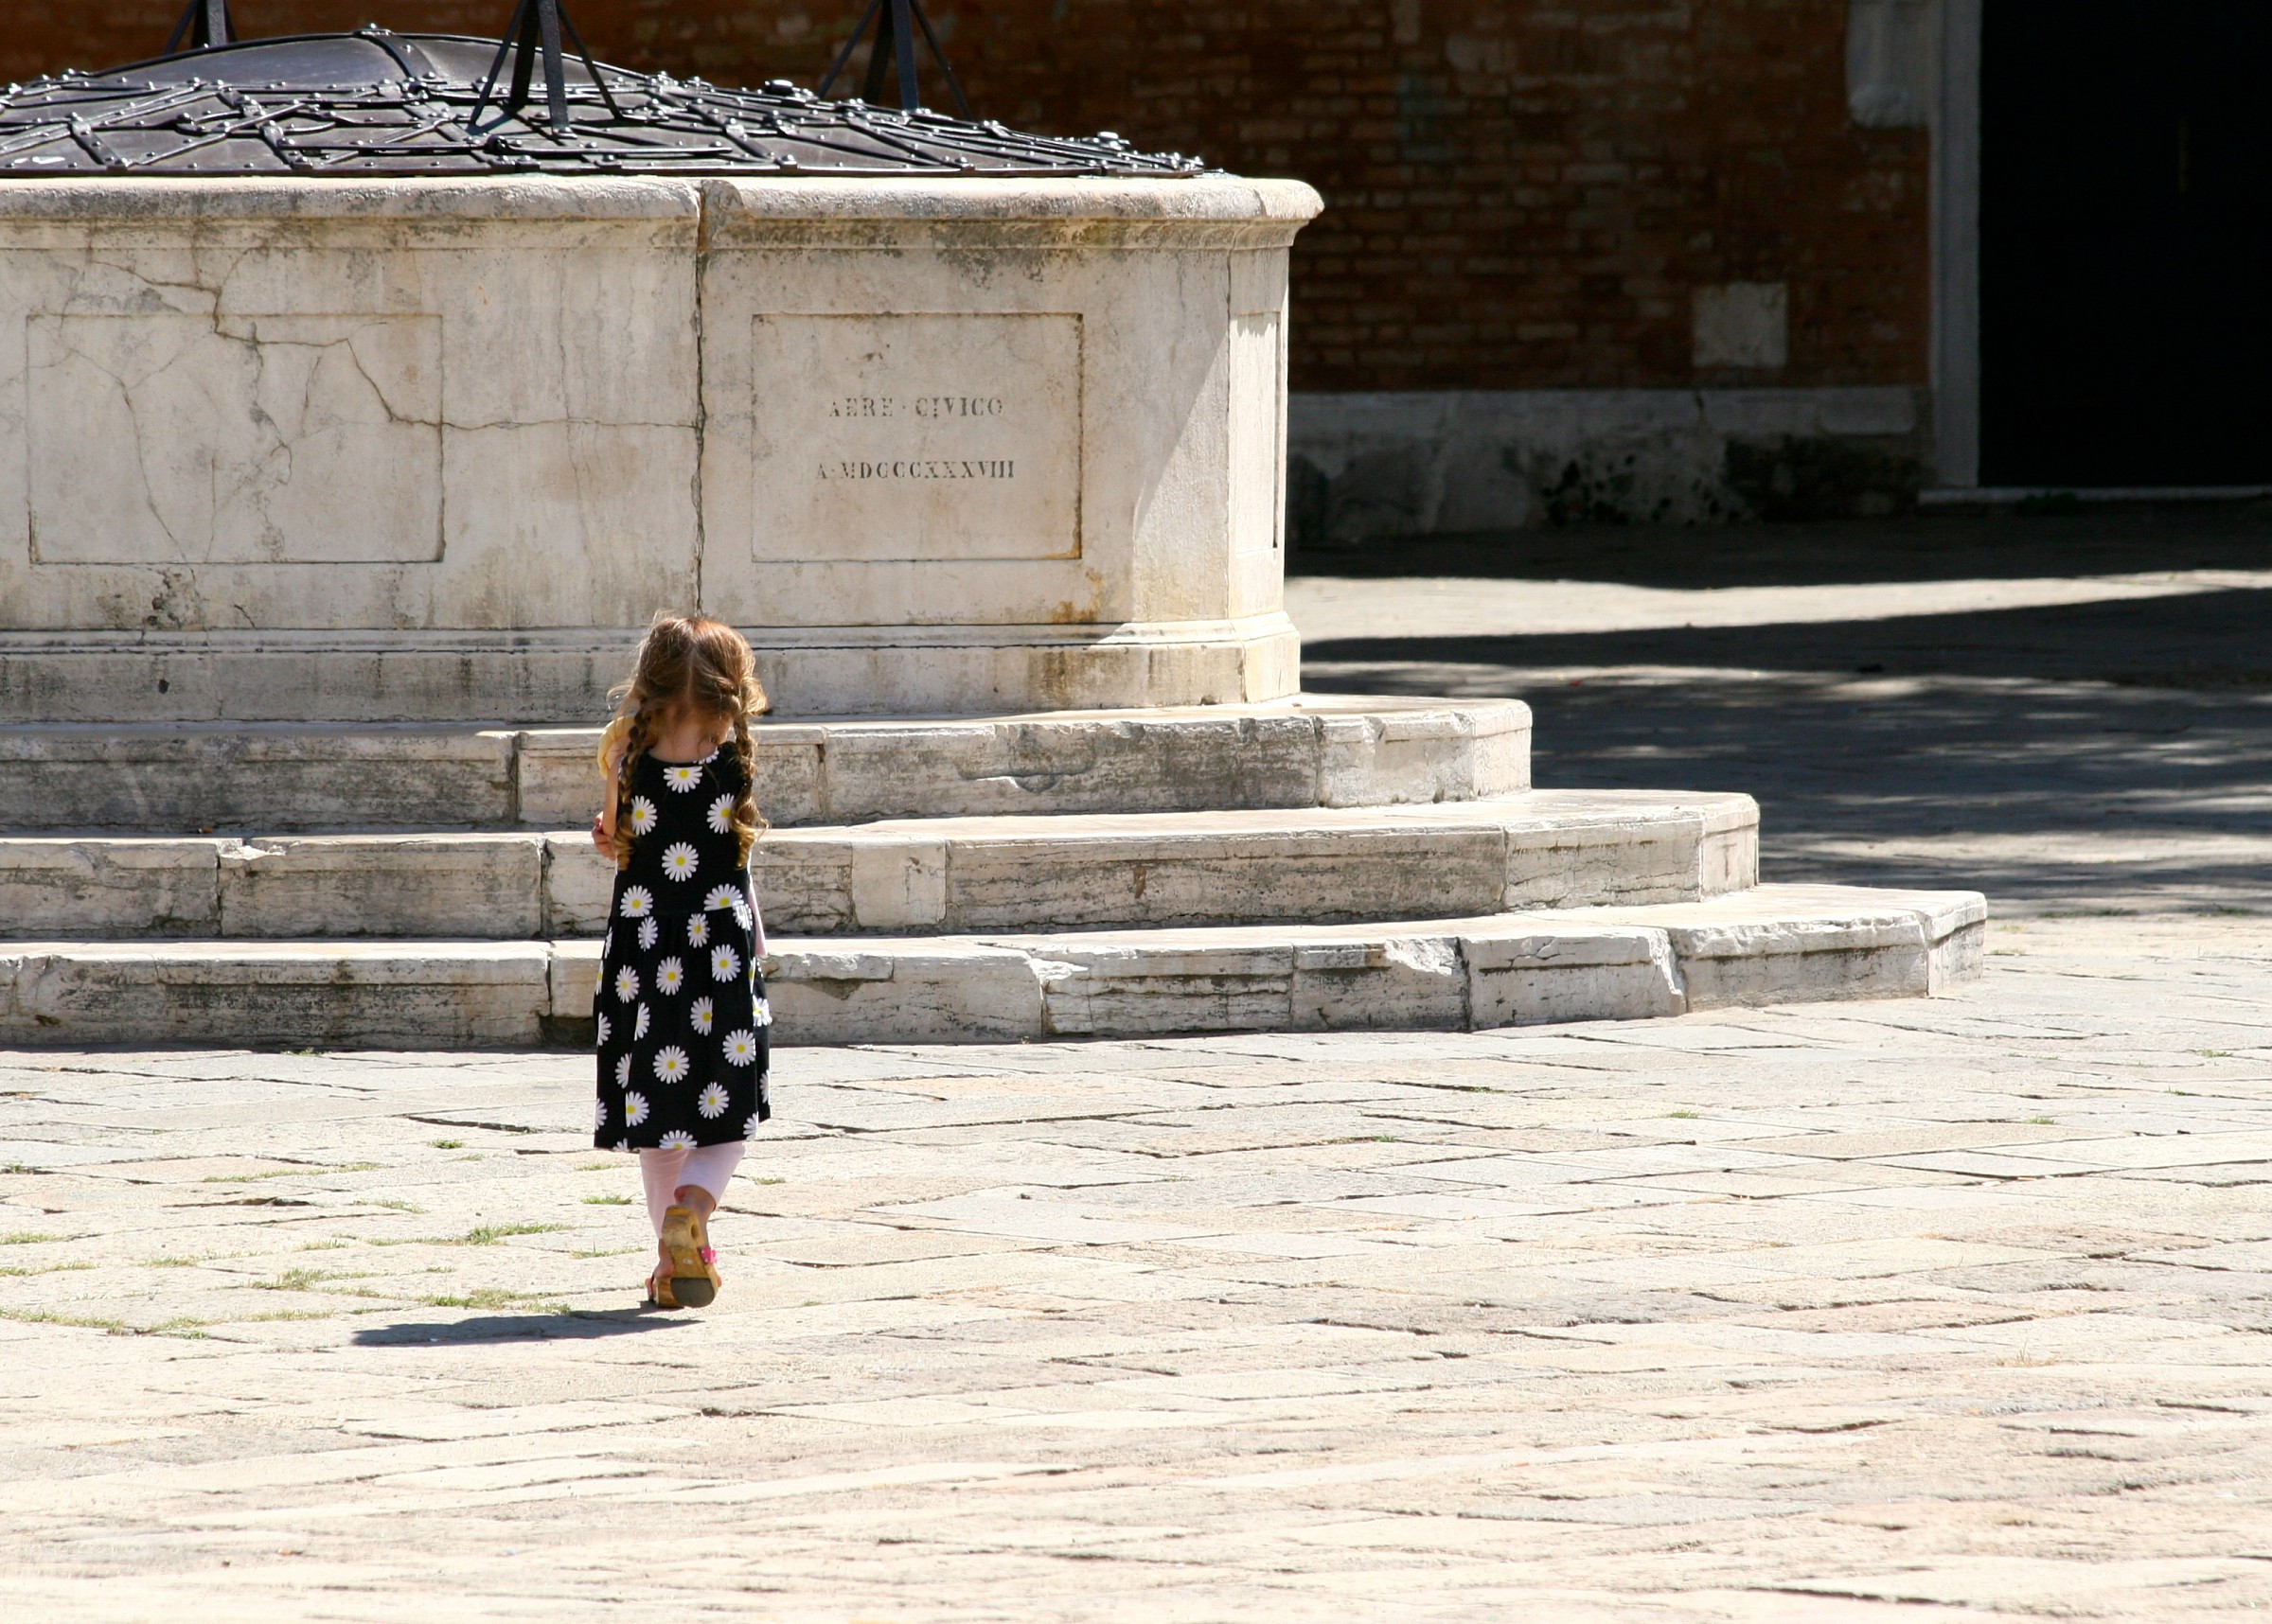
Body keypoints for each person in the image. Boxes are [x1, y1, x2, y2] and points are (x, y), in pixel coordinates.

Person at [590, 613, 772, 1309]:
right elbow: (738, 862)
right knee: (730, 1117)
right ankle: (692, 1210)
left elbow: (613, 843)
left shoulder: (628, 761)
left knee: (657, 1123)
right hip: (720, 958)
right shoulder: (732, 764)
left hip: (644, 962)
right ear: (731, 697)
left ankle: (671, 1265)